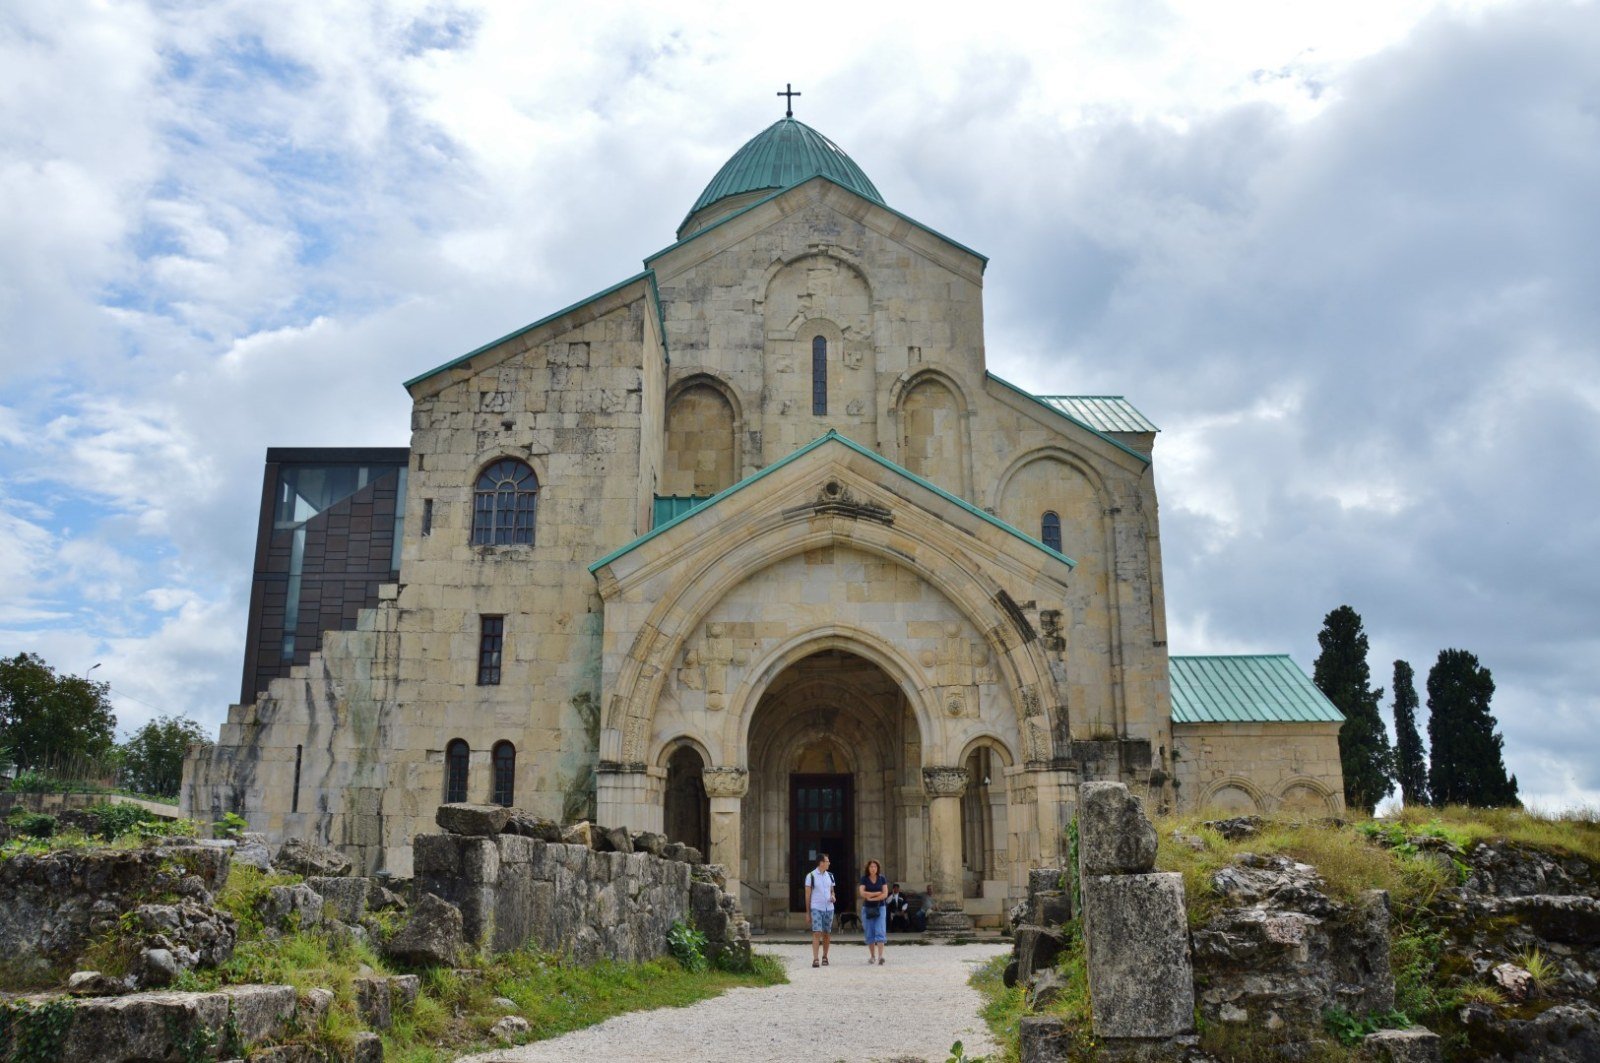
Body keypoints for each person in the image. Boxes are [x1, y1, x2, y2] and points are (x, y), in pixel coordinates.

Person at [803, 853, 836, 968]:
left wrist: (833, 896)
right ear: (821, 863)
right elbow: (807, 895)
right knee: (817, 932)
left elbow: (832, 890)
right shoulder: (810, 876)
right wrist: (808, 913)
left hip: (829, 908)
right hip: (816, 907)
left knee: (827, 933)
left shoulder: (830, 876)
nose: (829, 863)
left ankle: (825, 956)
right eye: (827, 861)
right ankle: (815, 958)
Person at [858, 859, 889, 964]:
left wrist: (871, 897)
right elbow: (862, 893)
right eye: (871, 866)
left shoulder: (882, 879)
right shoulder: (864, 879)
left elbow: (885, 894)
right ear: (868, 868)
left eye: (875, 867)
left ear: (878, 868)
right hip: (867, 908)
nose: (873, 869)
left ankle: (880, 956)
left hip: (880, 907)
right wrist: (876, 893)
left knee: (880, 930)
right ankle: (872, 956)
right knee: (869, 931)